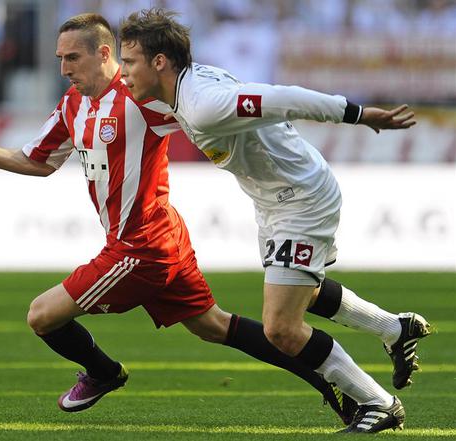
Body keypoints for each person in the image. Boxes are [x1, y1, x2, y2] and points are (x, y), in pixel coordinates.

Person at [0, 13, 358, 424]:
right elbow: (37, 161)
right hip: (161, 236)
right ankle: (327, 378)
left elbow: (206, 106)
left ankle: (103, 372)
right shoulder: (72, 104)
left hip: (140, 248)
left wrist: (271, 151)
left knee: (41, 315)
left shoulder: (143, 98)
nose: (64, 68)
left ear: (103, 53)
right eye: (60, 59)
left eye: (72, 58)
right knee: (213, 326)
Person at [118, 8, 431, 434]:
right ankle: (395, 328)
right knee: (304, 292)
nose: (123, 72)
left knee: (281, 328)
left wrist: (357, 114)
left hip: (301, 200)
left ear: (159, 62)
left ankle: (378, 402)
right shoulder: (182, 89)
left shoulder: (204, 103)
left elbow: (284, 98)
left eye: (129, 62)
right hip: (274, 201)